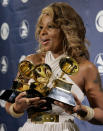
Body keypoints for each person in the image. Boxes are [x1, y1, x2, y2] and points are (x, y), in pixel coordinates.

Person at [5, 2, 103, 131]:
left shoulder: (86, 68)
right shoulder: (30, 62)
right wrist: (17, 107)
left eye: (50, 27)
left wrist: (82, 111)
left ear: (67, 29)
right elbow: (9, 102)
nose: (42, 33)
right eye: (41, 28)